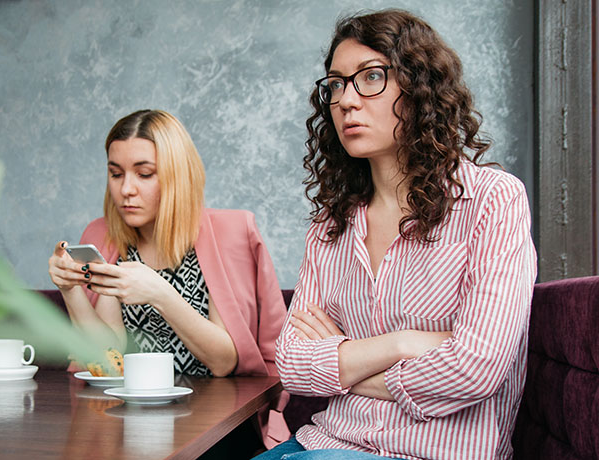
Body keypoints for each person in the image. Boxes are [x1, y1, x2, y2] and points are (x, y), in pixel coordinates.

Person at [254, 9, 537, 460]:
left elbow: (477, 368)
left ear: (419, 87)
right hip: (318, 444)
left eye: (370, 78)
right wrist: (401, 344)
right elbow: (292, 366)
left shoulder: (492, 200)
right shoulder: (331, 224)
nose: (347, 100)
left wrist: (343, 360)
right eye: (337, 84)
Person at [48, 109, 291, 447]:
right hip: (125, 420)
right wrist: (70, 289)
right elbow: (108, 355)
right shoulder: (104, 235)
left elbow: (224, 361)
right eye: (115, 174)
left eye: (144, 174)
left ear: (177, 176)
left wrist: (160, 293)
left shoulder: (230, 233)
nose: (126, 190)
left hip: (216, 425)